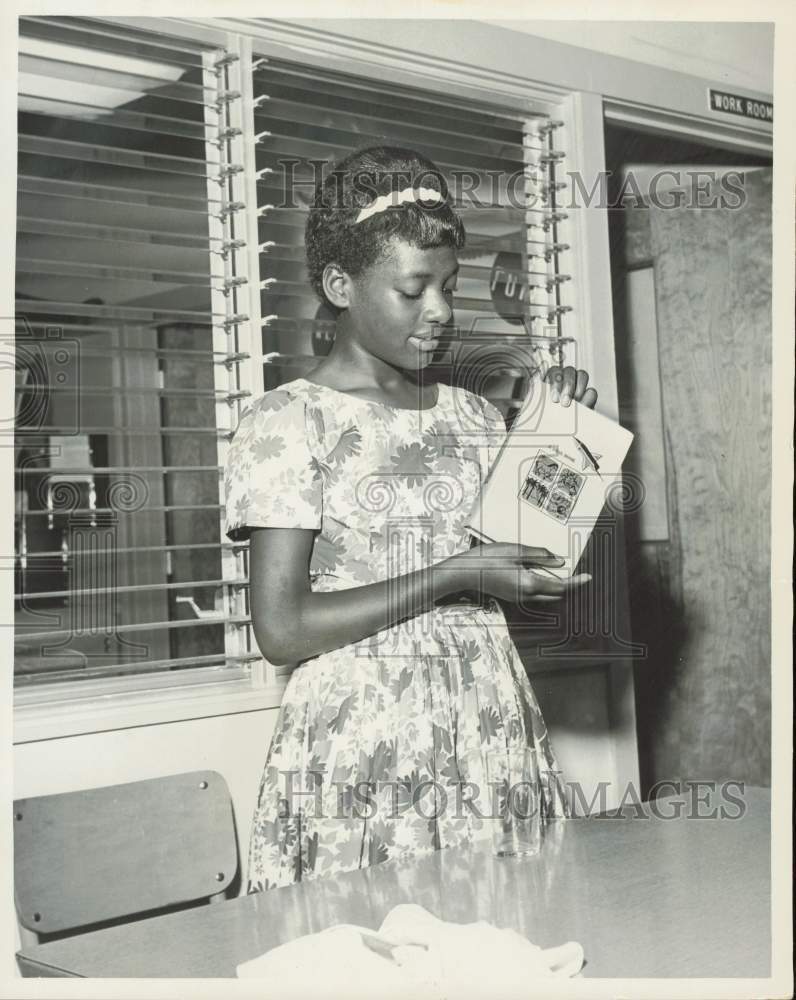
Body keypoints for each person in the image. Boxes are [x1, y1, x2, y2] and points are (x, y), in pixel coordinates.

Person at [224, 146, 598, 893]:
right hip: (363, 742)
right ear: (340, 286)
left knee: (508, 935)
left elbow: (529, 570)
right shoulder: (285, 422)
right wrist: (451, 574)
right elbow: (282, 629)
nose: (442, 311)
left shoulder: (473, 413)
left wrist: (558, 442)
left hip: (487, 725)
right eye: (413, 289)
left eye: (450, 287)